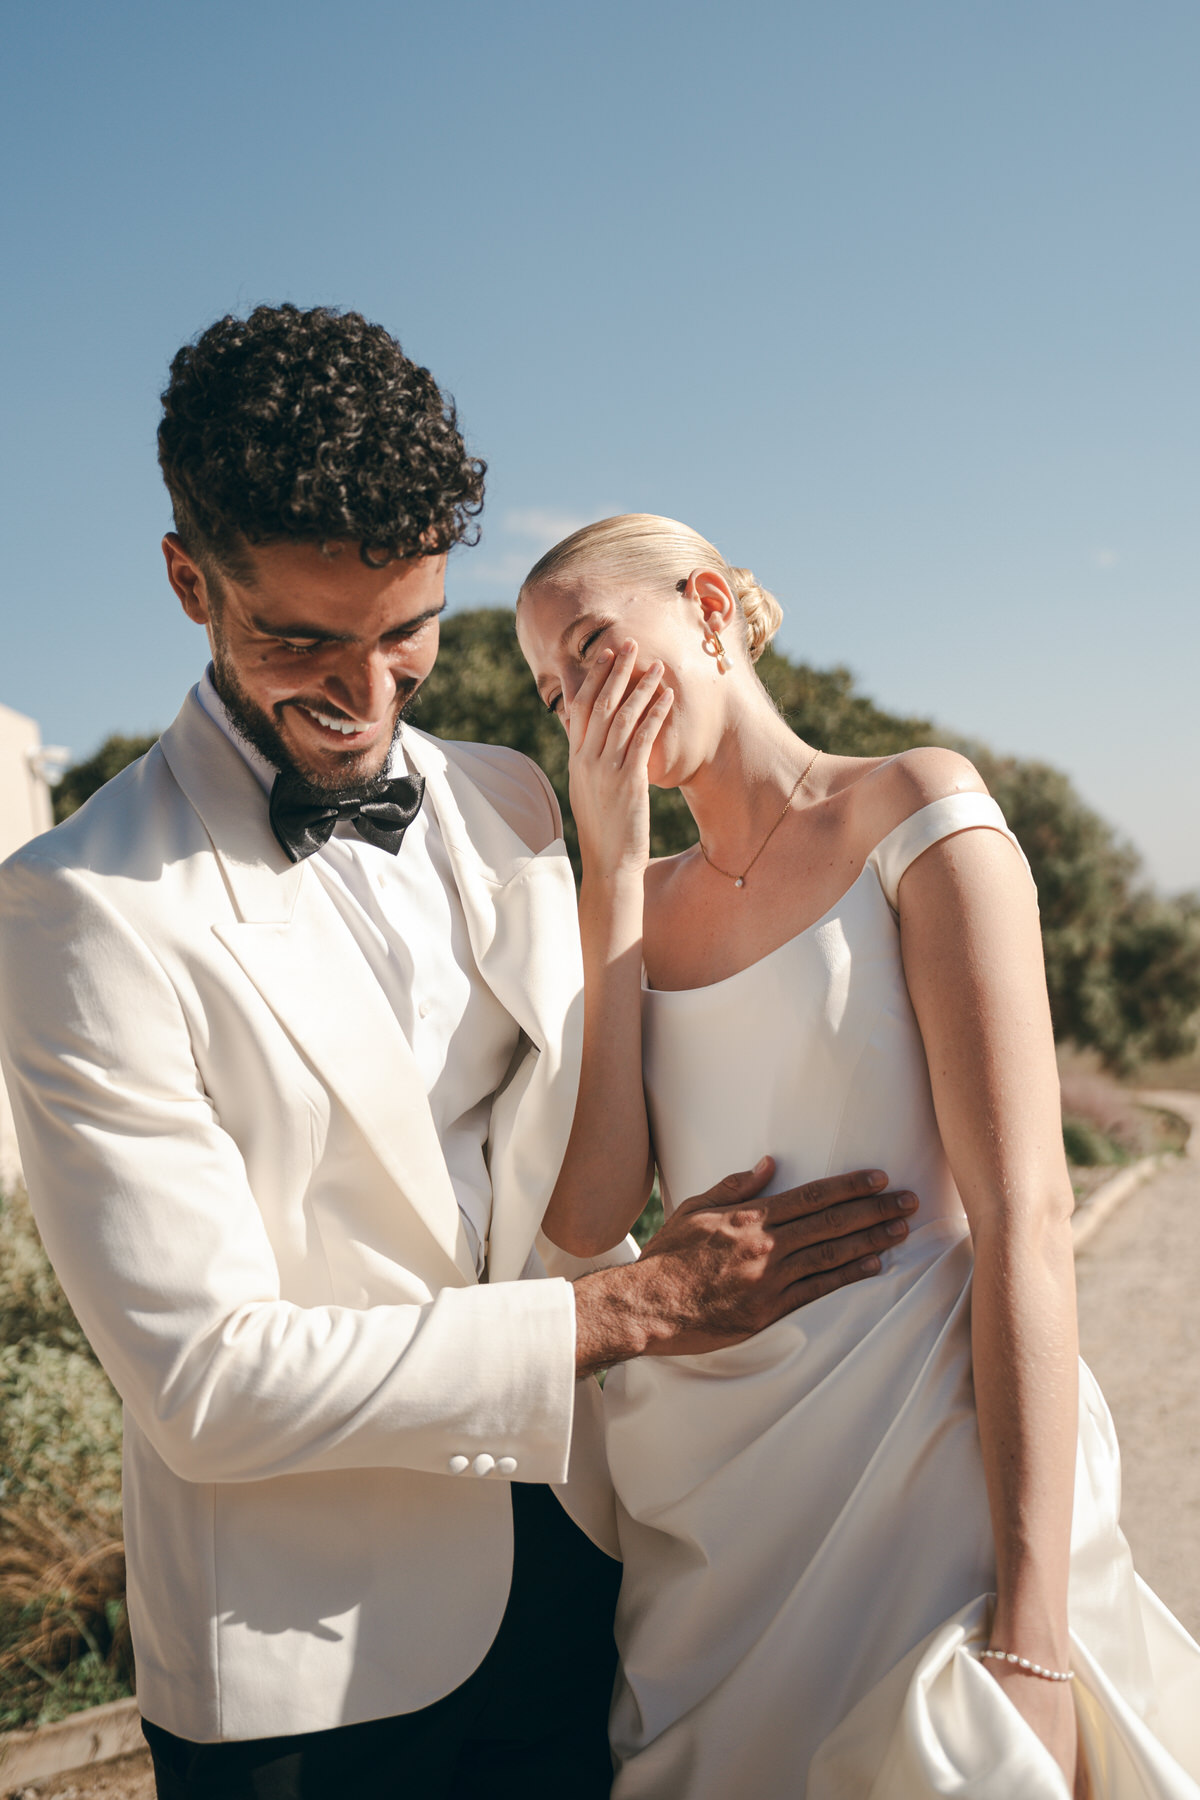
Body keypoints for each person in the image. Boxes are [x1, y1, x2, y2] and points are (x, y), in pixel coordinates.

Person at [0, 310, 919, 1799]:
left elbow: (580, 1153)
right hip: (315, 1676)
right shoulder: (77, 906)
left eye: (406, 632)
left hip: (592, 1568)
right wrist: (621, 1312)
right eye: (301, 640)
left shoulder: (520, 805)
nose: (366, 697)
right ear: (188, 580)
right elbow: (208, 1387)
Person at [516, 512, 1200, 1800]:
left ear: (708, 606)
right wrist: (609, 869)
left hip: (930, 1467)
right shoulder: (638, 904)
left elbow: (1029, 1216)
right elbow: (595, 1213)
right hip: (716, 1507)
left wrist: (1038, 1635)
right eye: (558, 691)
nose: (583, 708)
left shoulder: (917, 808)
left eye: (598, 650)